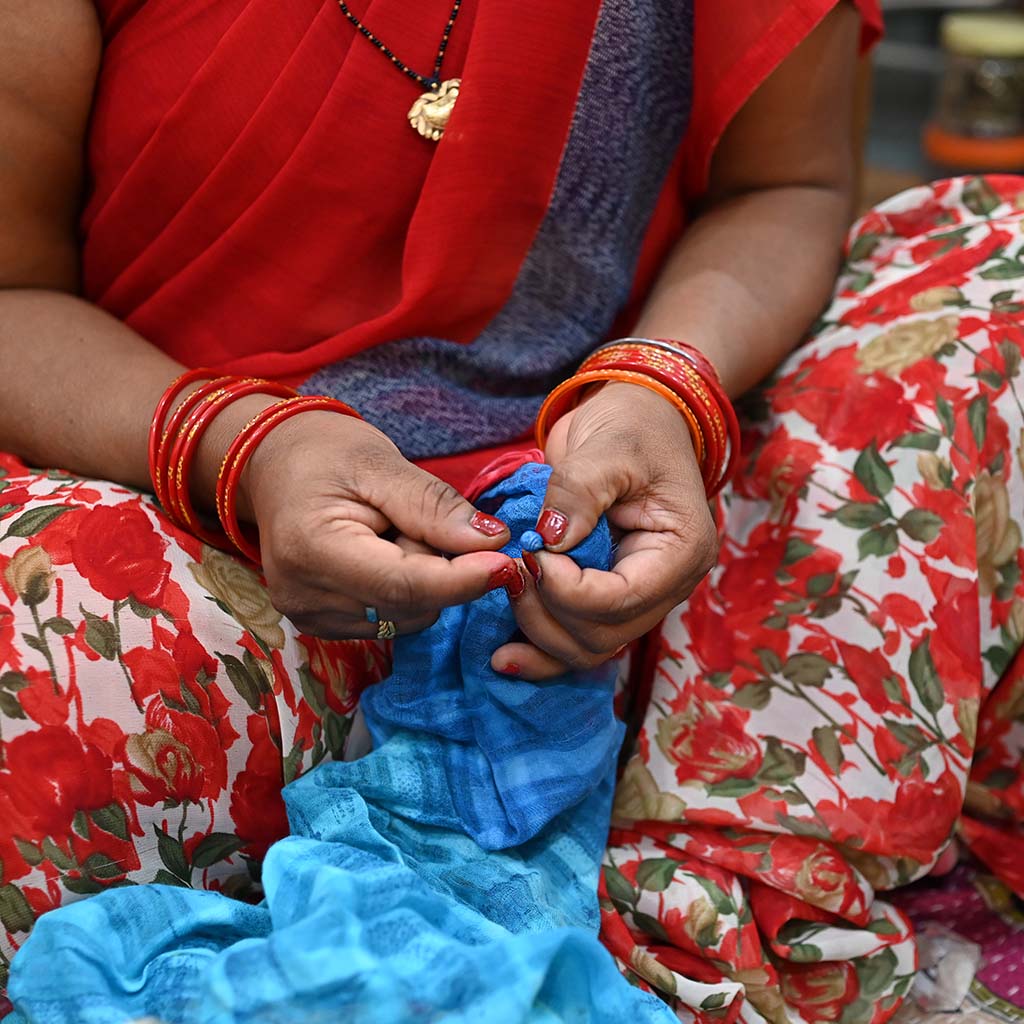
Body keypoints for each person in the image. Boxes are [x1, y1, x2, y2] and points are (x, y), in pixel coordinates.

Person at [1, 0, 1022, 1019]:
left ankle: (679, 889)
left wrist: (664, 389)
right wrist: (241, 447)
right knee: (41, 625)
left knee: (996, 271)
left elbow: (785, 186)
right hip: (202, 543)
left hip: (652, 533)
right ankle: (651, 914)